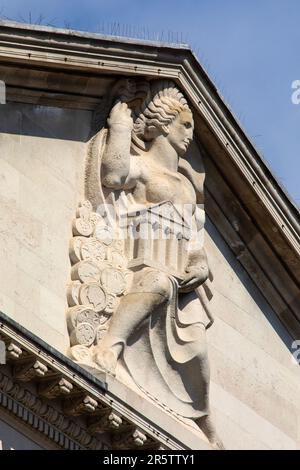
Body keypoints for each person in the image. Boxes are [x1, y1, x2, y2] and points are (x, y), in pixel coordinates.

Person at [93, 80, 223, 449]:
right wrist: (119, 127)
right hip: (144, 258)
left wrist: (199, 262)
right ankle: (111, 346)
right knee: (158, 283)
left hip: (180, 275)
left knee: (197, 348)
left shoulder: (185, 187)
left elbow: (194, 236)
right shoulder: (144, 168)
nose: (190, 136)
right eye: (185, 126)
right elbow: (113, 176)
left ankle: (200, 414)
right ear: (164, 125)